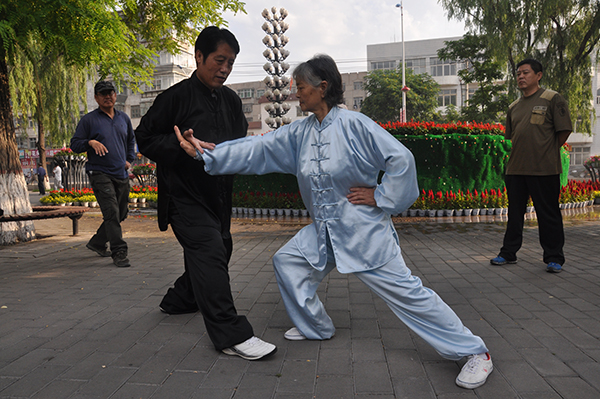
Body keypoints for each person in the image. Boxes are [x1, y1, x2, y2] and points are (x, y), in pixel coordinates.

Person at [178, 54, 493, 389]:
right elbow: (259, 149)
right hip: (325, 229)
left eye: (300, 87)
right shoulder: (300, 131)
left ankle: (475, 353)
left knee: (409, 294)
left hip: (364, 233)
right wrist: (207, 154)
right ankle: (317, 327)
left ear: (322, 87)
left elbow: (401, 159)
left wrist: (381, 197)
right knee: (288, 261)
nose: (295, 94)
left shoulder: (355, 125)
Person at [134, 26, 277, 361]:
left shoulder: (229, 100)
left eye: (230, 62)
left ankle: (180, 300)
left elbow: (238, 142)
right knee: (210, 248)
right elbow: (144, 138)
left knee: (220, 247)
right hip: (184, 196)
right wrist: (178, 144)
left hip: (219, 195)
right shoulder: (174, 98)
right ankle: (230, 333)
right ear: (199, 57)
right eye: (219, 60)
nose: (224, 68)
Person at [491, 59, 572, 273]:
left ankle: (554, 257)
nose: (521, 77)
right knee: (514, 214)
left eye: (525, 72)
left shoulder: (552, 99)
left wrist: (548, 151)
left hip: (544, 169)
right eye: (518, 73)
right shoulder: (514, 107)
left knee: (548, 214)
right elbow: (512, 137)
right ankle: (508, 253)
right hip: (516, 169)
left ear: (539, 75)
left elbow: (564, 130)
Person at [71, 80, 136, 268]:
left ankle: (97, 243)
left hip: (120, 172)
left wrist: (129, 160)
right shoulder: (89, 120)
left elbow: (131, 141)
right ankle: (119, 252)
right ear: (96, 98)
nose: (108, 96)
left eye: (111, 92)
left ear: (115, 95)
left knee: (121, 212)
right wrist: (89, 142)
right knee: (112, 212)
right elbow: (75, 144)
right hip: (99, 173)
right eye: (103, 93)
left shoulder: (124, 118)